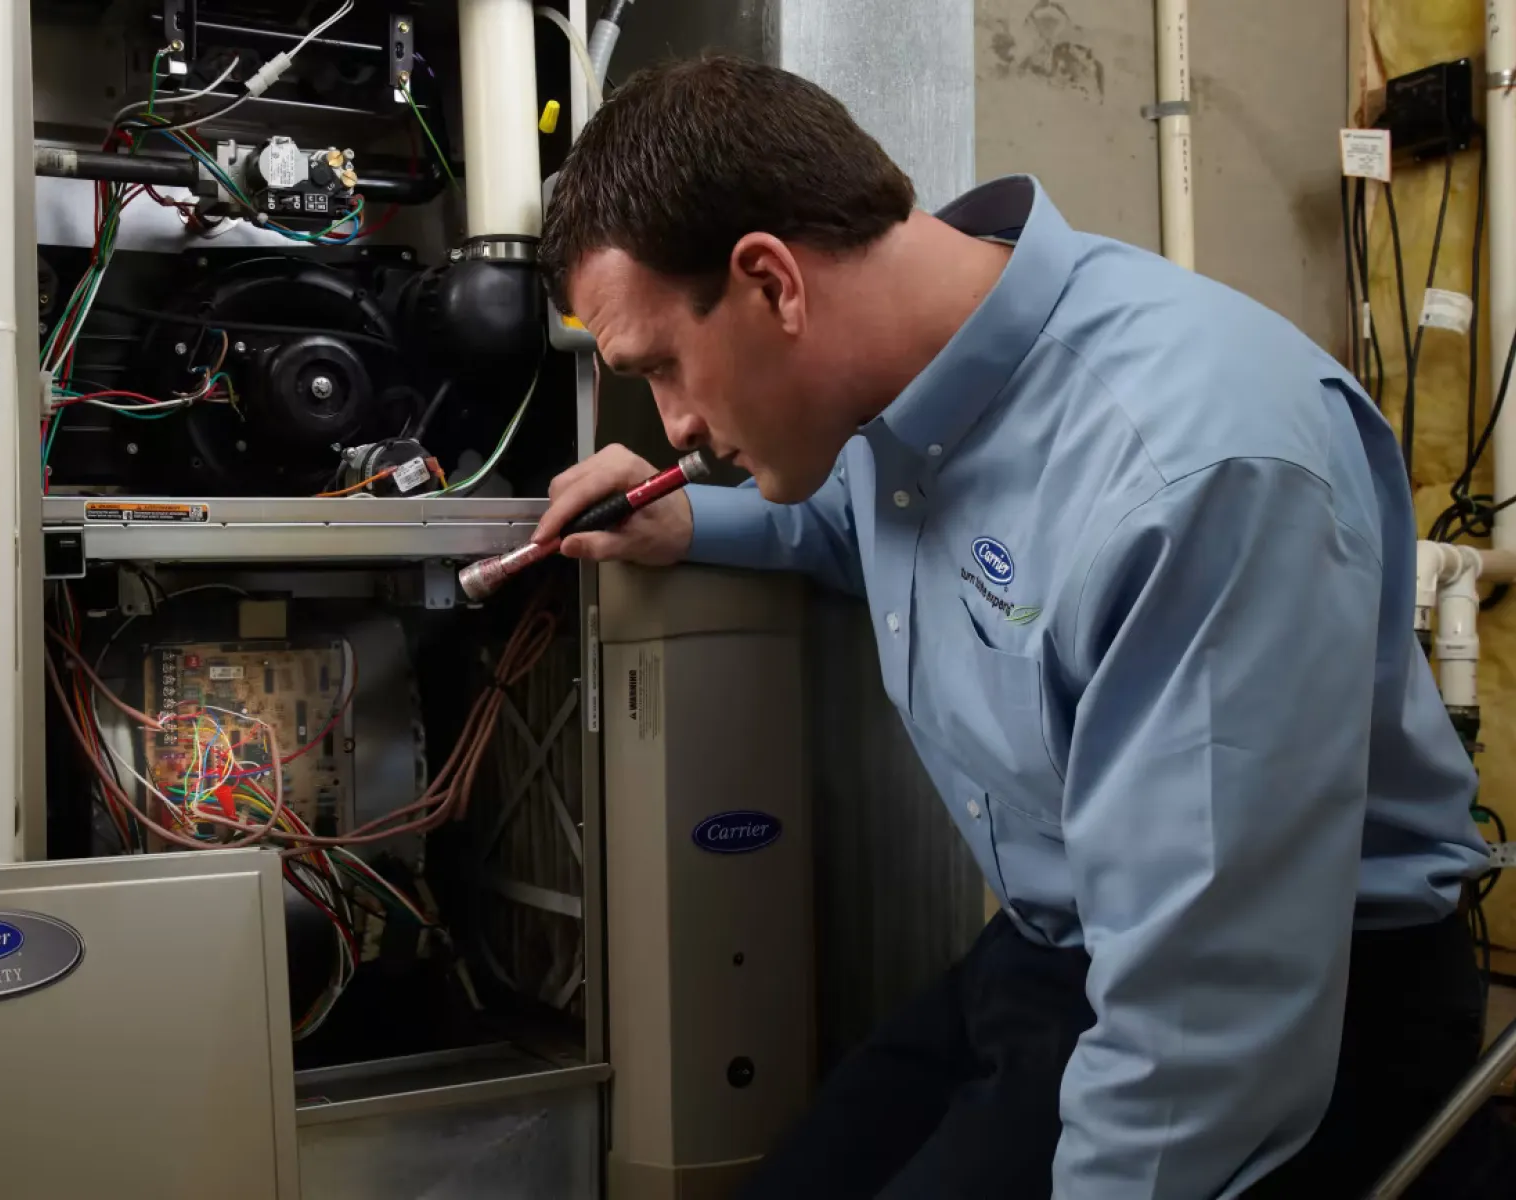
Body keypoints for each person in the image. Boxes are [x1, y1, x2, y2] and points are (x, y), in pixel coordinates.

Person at [535, 56, 1501, 1198]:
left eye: (662, 369)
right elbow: (870, 518)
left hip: (1292, 995)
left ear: (772, 283)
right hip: (1063, 947)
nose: (677, 428)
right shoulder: (908, 380)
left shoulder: (1194, 477)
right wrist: (692, 520)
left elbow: (1200, 1035)